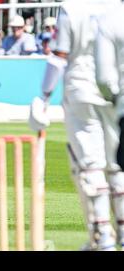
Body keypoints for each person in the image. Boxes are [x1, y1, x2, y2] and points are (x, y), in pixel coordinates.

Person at [28, 0, 124, 251]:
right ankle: (121, 232)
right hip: (116, 89)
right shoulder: (117, 6)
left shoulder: (72, 8)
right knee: (116, 164)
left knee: (91, 164)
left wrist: (44, 96)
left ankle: (103, 236)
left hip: (81, 87)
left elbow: (59, 57)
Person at [94, 1, 124, 250]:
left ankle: (112, 235)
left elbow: (104, 79)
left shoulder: (111, 18)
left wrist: (115, 99)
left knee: (116, 167)